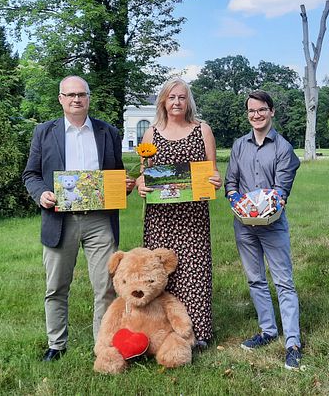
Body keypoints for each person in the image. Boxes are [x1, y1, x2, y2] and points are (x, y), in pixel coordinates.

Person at [22, 75, 135, 362]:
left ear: (89, 97)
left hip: (100, 221)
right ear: (60, 99)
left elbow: (116, 176)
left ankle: (104, 344)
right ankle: (56, 345)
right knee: (56, 286)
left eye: (81, 94)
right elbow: (31, 175)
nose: (76, 99)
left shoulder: (107, 132)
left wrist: (124, 186)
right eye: (70, 95)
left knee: (106, 287)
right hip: (60, 220)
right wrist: (41, 194)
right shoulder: (44, 133)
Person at [135, 78, 222, 348]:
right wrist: (141, 184)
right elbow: (144, 173)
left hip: (192, 214)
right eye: (171, 97)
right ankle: (162, 330)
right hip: (160, 217)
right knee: (160, 271)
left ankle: (199, 332)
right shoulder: (152, 133)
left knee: (194, 269)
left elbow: (212, 169)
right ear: (163, 100)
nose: (176, 102)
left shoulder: (202, 130)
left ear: (188, 101)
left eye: (182, 98)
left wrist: (215, 179)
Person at [224, 90, 302, 370]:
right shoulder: (238, 145)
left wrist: (267, 207)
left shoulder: (283, 148)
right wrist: (235, 200)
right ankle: (268, 331)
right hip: (243, 225)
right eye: (251, 111)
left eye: (261, 110)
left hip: (272, 223)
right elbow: (230, 182)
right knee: (255, 278)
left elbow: (281, 190)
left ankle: (293, 342)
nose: (256, 115)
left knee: (284, 282)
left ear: (271, 112)